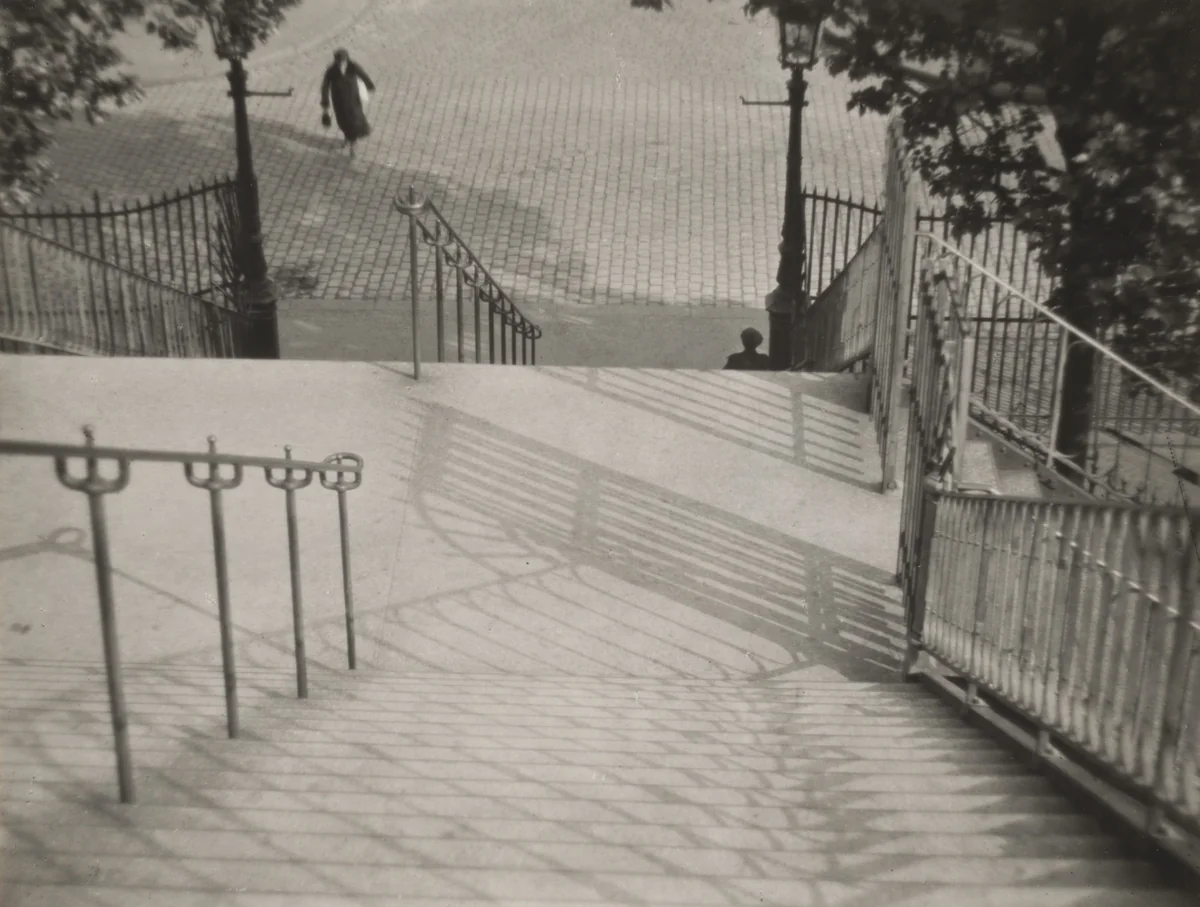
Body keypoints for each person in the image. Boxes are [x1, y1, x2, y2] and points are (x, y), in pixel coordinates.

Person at [320, 49, 375, 157]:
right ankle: (347, 137)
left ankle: (353, 145)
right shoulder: (331, 71)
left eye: (343, 61)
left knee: (354, 120)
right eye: (339, 62)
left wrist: (370, 85)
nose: (342, 64)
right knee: (343, 121)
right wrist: (325, 103)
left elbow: (363, 75)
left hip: (353, 99)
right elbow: (325, 87)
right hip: (339, 101)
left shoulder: (352, 66)